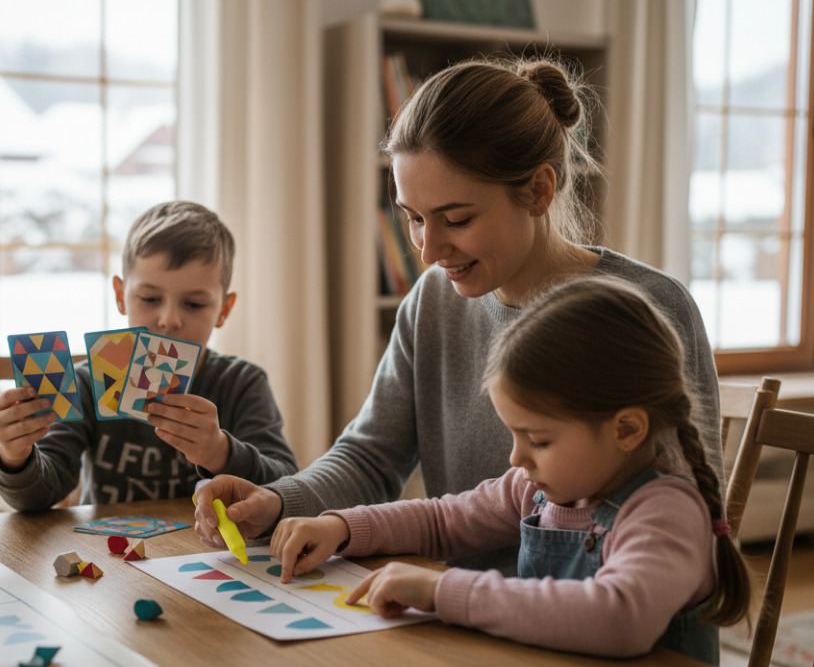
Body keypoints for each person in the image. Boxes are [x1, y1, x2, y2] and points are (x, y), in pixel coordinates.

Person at [194, 56, 722, 563]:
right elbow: (370, 458)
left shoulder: (648, 309)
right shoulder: (432, 302)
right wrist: (280, 501)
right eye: (414, 218)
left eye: (457, 218)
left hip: (607, 622)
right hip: (458, 620)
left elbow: (696, 521)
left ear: (539, 189)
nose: (428, 250)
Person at [268, 277, 751, 664]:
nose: (516, 459)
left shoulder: (664, 511)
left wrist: (444, 590)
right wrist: (342, 527)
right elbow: (444, 520)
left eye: (538, 440)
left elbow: (619, 618)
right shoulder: (538, 488)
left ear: (626, 429)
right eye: (514, 435)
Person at [0, 200, 299, 511]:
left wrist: (220, 451)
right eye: (150, 298)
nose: (169, 319)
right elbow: (39, 495)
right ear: (121, 297)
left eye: (194, 304)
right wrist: (14, 455)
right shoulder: (86, 382)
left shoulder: (241, 383)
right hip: (108, 551)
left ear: (224, 310)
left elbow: (286, 485)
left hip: (204, 551)